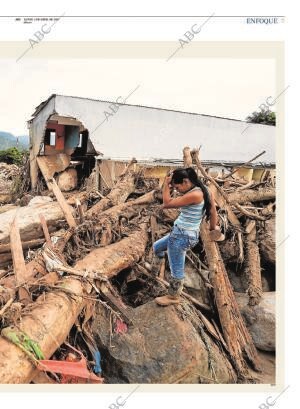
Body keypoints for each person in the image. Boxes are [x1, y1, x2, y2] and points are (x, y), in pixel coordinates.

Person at [153, 167, 219, 306]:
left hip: (181, 237)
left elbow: (167, 203)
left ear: (185, 181)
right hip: (181, 234)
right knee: (157, 247)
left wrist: (166, 184)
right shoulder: (205, 189)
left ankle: (173, 296)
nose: (177, 190)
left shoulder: (195, 195)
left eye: (177, 187)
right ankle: (158, 266)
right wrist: (214, 229)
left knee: (177, 270)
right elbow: (213, 211)